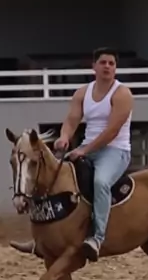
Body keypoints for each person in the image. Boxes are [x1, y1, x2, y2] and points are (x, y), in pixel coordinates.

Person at [11, 47, 133, 261]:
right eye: (103, 62)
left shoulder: (122, 94)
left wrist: (84, 150)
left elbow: (112, 131)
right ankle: (41, 238)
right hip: (88, 148)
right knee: (50, 177)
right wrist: (64, 136)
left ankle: (97, 237)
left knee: (100, 182)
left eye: (111, 63)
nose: (107, 66)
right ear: (94, 66)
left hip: (115, 150)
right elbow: (71, 120)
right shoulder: (82, 93)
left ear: (115, 68)